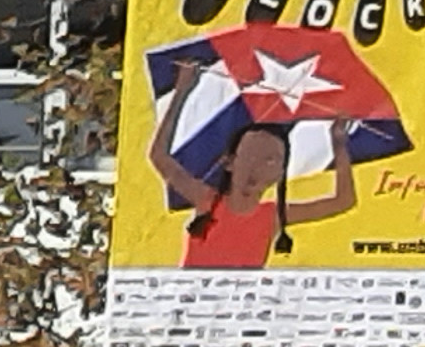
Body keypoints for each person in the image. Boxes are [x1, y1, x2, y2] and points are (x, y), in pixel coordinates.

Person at [151, 107, 355, 269]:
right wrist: (182, 91)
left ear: (279, 174)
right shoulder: (208, 201)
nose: (255, 167)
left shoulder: (272, 216)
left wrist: (338, 144)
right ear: (230, 162)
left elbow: (343, 201)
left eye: (269, 160)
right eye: (249, 155)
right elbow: (159, 157)